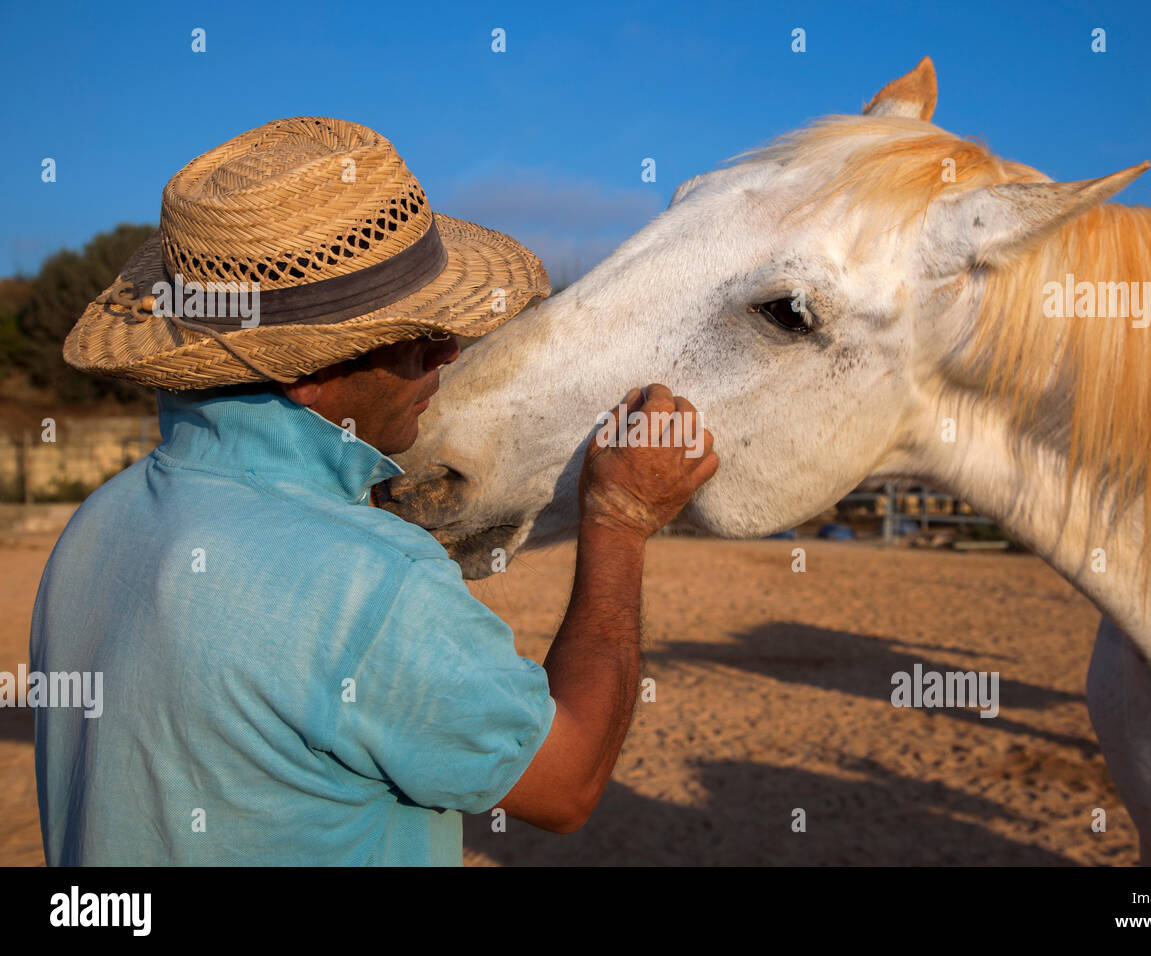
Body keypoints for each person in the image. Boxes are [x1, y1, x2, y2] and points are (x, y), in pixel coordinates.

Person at [32, 116, 718, 865]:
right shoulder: (369, 582)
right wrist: (618, 523)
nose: (449, 353)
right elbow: (568, 783)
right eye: (420, 337)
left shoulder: (100, 523)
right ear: (310, 369)